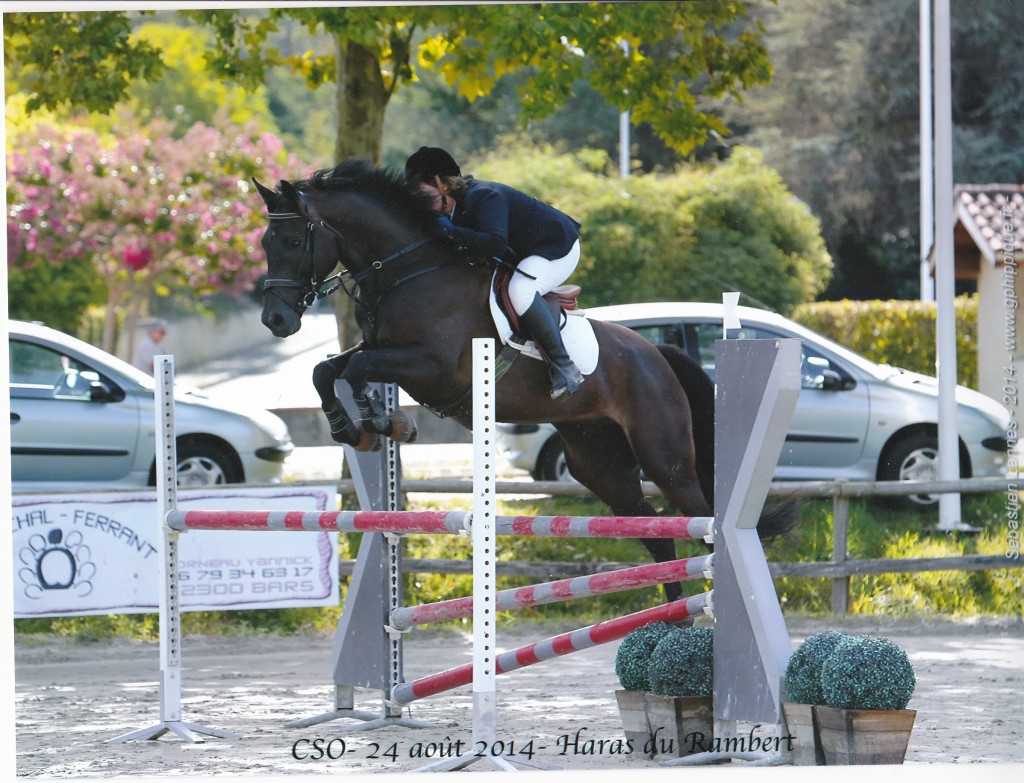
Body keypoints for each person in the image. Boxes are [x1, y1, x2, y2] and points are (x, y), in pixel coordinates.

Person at [404, 146, 585, 400]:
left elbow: (495, 243)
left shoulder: (485, 196)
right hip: (522, 253)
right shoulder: (454, 209)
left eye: (426, 197)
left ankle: (564, 366)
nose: (427, 208)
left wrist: (446, 234)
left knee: (520, 291)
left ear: (442, 184)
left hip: (556, 247)